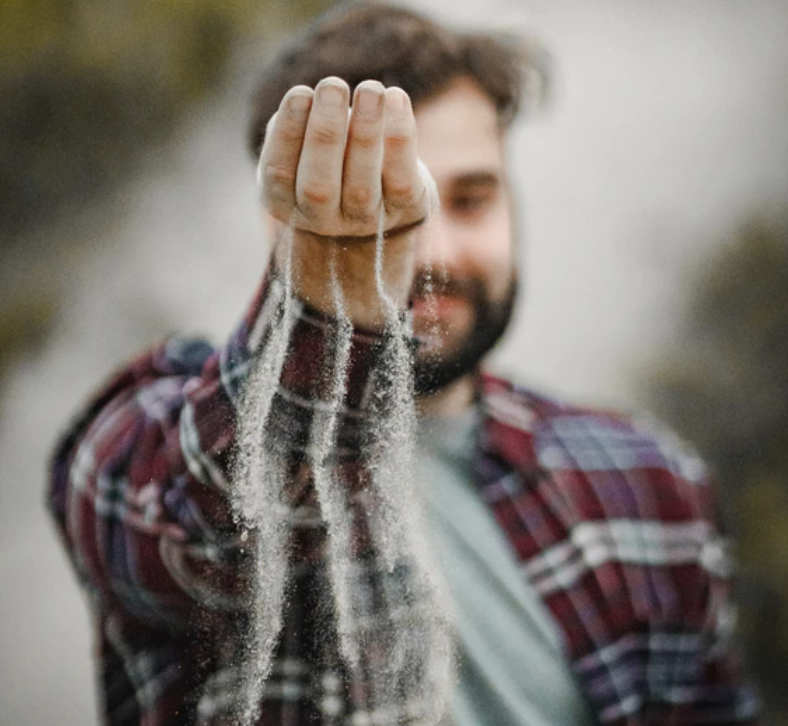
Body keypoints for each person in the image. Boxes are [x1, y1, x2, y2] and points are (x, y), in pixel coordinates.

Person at [48, 3, 759, 724]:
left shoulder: (650, 483)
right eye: (392, 205)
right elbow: (193, 515)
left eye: (473, 199)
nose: (436, 253)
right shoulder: (147, 445)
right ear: (280, 214)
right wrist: (324, 309)